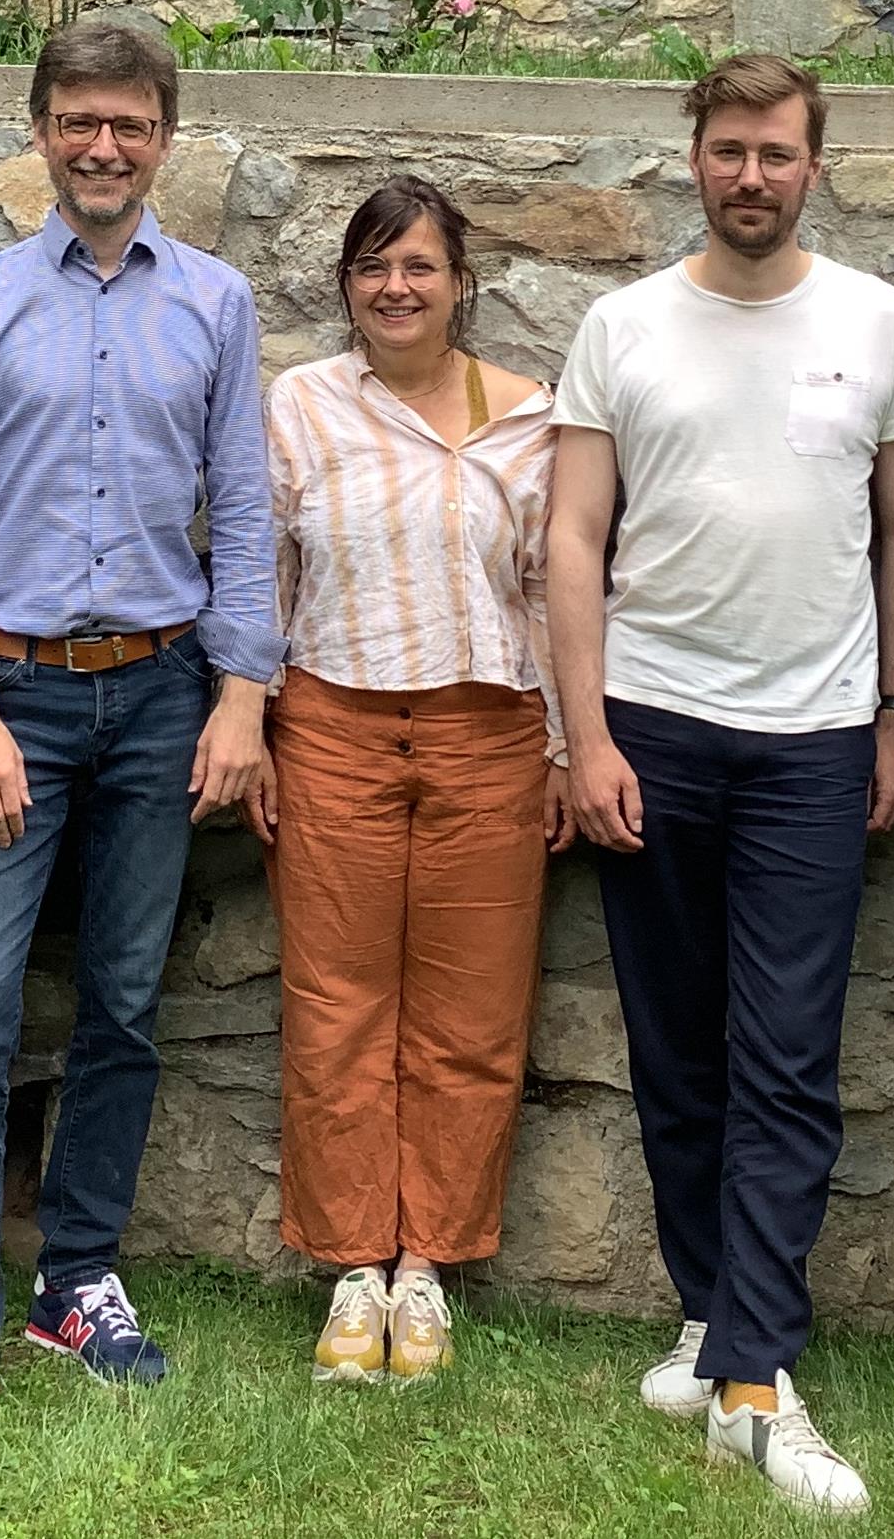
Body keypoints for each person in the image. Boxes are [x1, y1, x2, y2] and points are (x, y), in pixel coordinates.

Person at [0, 23, 281, 1459]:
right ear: (40, 130)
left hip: (162, 694)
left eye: (131, 124)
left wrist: (244, 693)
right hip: (16, 699)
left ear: (165, 137)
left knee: (123, 1001)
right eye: (80, 121)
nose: (105, 147)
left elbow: (242, 509)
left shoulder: (218, 302)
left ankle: (77, 1279)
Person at [545, 53, 894, 1516]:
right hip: (652, 726)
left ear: (813, 165)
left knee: (786, 1058)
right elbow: (574, 539)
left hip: (816, 739)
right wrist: (586, 736)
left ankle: (757, 1384)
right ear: (692, 157)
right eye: (727, 150)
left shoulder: (878, 320)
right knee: (675, 1050)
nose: (750, 175)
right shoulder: (624, 325)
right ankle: (711, 1315)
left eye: (776, 152)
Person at [264, 176, 569, 1385]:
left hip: (488, 734)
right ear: (346, 285)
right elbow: (263, 572)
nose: (396, 287)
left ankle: (427, 1265)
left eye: (420, 266)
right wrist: (253, 722)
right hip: (330, 724)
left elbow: (544, 589)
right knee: (335, 1007)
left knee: (473, 1018)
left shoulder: (527, 417)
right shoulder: (301, 404)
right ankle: (353, 1265)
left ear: (460, 284)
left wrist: (561, 747)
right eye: (373, 267)